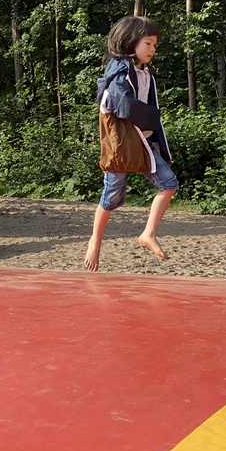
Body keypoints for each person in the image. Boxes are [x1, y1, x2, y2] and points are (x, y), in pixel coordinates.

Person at [84, 15, 178, 271]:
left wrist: (153, 126)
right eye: (148, 43)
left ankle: (148, 234)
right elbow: (118, 102)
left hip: (143, 142)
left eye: (155, 45)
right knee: (111, 197)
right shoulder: (118, 70)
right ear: (129, 42)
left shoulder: (144, 71)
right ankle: (95, 240)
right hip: (122, 143)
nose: (152, 49)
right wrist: (151, 117)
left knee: (169, 183)